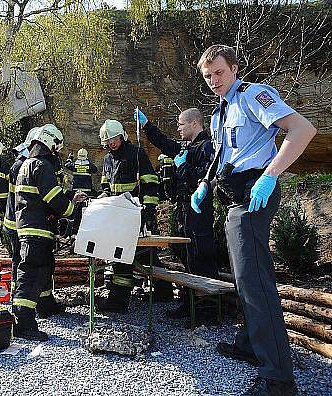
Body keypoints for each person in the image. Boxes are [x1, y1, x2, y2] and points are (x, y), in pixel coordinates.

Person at [191, 44, 316, 396]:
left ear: (233, 68)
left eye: (218, 72)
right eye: (207, 76)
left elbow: (302, 130)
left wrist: (271, 174)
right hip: (233, 198)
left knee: (256, 284)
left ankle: (277, 379)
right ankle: (249, 343)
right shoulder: (219, 113)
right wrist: (203, 185)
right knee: (245, 280)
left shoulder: (252, 95)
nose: (213, 80)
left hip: (254, 192)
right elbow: (222, 154)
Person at [135, 108, 219, 320]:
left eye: (181, 125)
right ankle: (189, 302)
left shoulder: (206, 147)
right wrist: (146, 126)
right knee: (188, 257)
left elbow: (203, 178)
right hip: (184, 210)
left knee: (201, 257)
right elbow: (165, 143)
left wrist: (183, 167)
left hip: (199, 211)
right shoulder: (187, 147)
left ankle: (206, 309)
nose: (178, 129)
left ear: (194, 124)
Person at [13, 124, 86, 341]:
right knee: (32, 273)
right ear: (51, 144)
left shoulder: (28, 164)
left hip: (32, 227)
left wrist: (69, 196)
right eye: (56, 149)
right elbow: (54, 199)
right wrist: (72, 209)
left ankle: (45, 306)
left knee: (44, 269)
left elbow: (43, 194)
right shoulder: (42, 166)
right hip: (36, 229)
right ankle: (23, 322)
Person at [97, 119, 172, 313]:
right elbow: (106, 185)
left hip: (135, 214)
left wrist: (148, 209)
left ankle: (119, 301)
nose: (112, 143)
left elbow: (150, 181)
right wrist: (103, 200)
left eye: (114, 138)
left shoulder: (136, 154)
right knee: (139, 255)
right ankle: (163, 291)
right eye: (108, 140)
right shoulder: (107, 159)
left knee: (135, 255)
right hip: (117, 215)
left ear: (122, 135)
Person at [4, 127, 37, 293]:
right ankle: (17, 295)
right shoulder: (23, 166)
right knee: (20, 260)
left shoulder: (17, 164)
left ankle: (15, 292)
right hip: (17, 222)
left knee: (17, 259)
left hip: (11, 220)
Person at [64, 148, 98, 234]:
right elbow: (95, 169)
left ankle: (74, 230)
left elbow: (67, 165)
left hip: (76, 191)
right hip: (87, 191)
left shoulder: (75, 165)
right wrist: (88, 162)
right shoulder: (89, 165)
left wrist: (70, 158)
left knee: (76, 211)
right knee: (86, 210)